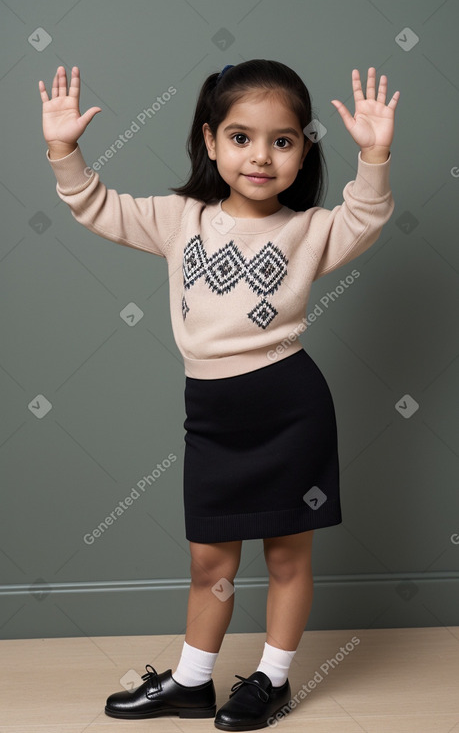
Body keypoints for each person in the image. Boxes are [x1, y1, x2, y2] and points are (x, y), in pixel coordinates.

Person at [39, 60, 399, 730]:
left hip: (289, 406)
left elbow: (364, 215)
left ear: (302, 151)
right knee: (210, 560)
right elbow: (96, 204)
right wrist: (64, 149)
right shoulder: (180, 219)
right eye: (240, 137)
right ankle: (192, 682)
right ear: (209, 141)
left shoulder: (308, 230)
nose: (259, 156)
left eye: (282, 140)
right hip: (209, 414)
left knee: (287, 555)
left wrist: (373, 157)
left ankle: (271, 679)